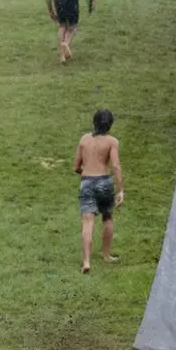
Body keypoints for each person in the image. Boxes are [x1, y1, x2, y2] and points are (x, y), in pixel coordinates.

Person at [73, 109, 124, 272]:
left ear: (94, 122)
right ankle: (106, 255)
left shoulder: (84, 139)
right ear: (110, 124)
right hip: (104, 181)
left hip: (87, 182)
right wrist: (121, 189)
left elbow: (76, 167)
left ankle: (87, 262)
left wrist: (87, 176)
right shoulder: (112, 142)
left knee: (87, 222)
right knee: (107, 217)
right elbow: (115, 165)